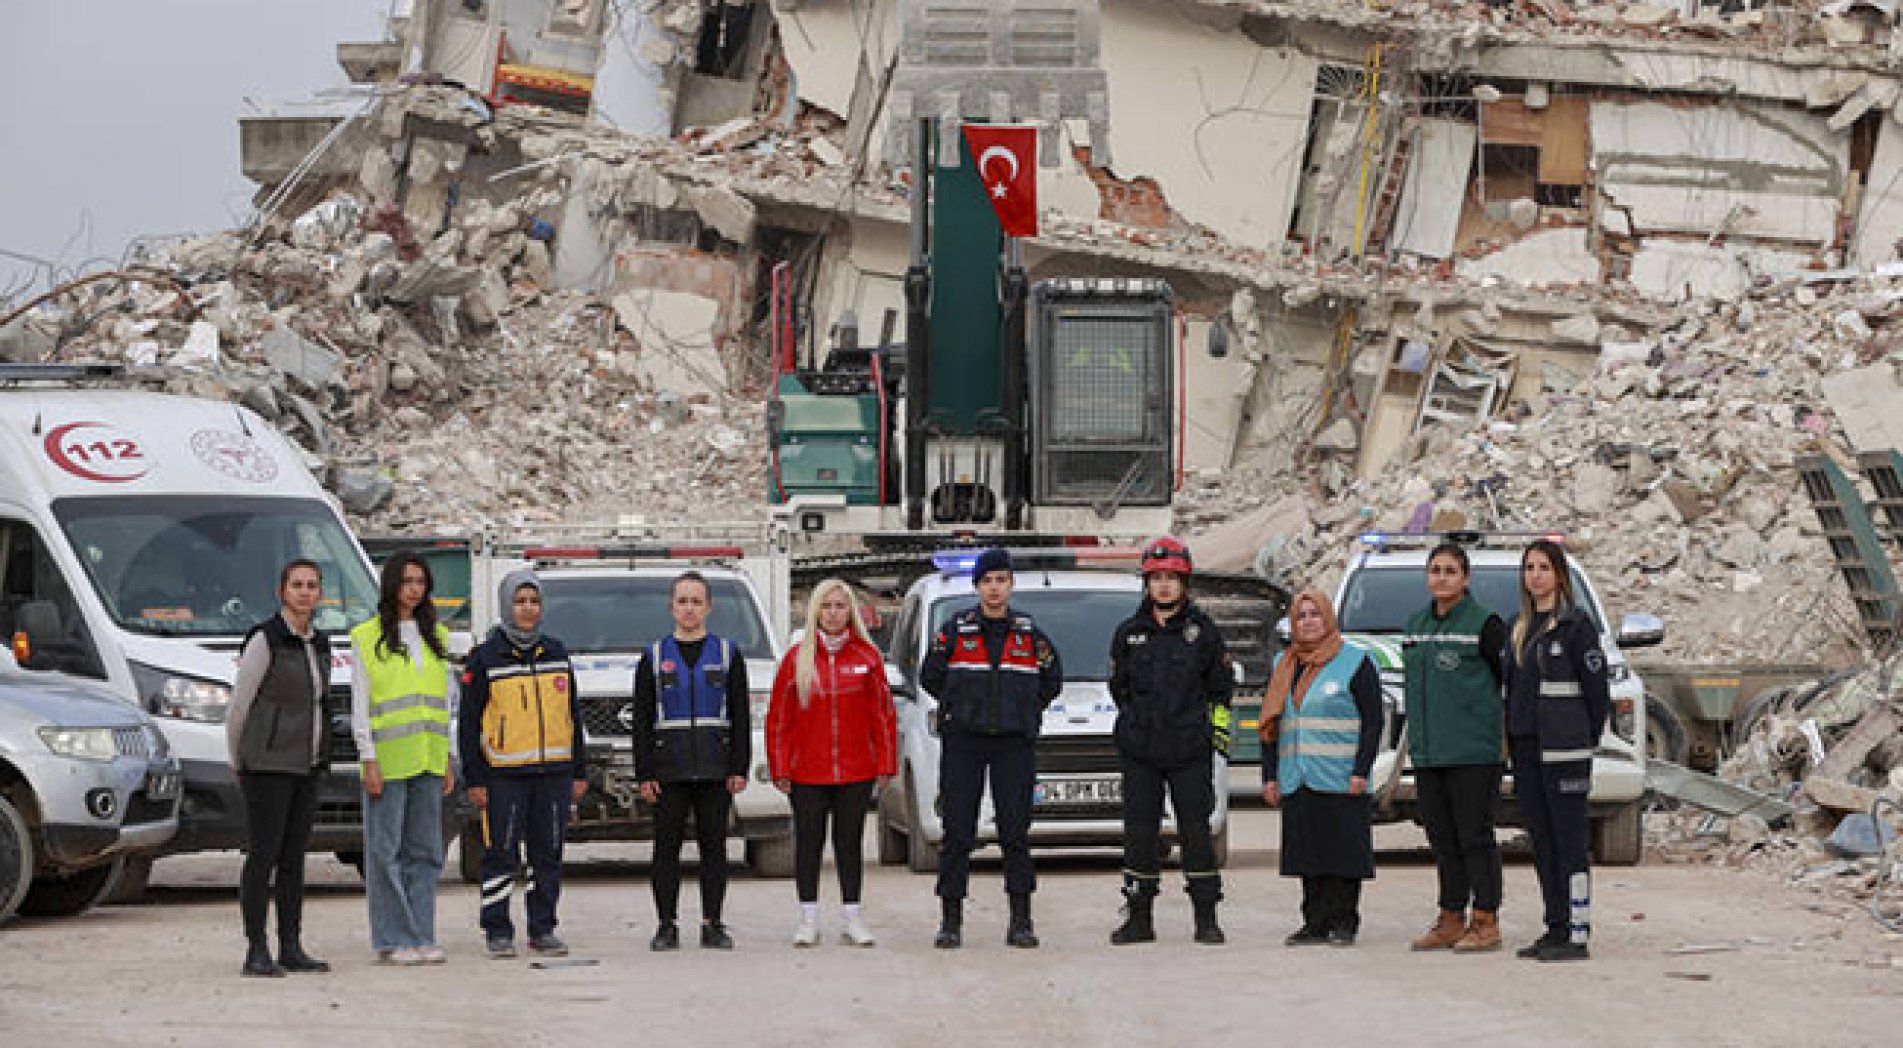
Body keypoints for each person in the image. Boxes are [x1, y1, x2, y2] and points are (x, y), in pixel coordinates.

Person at [920, 548, 1063, 949]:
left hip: (1013, 744)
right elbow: (930, 675)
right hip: (964, 741)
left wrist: (1024, 710)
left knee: (1015, 832)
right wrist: (959, 705)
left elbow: (1052, 680)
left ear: (1011, 585)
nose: (994, 588)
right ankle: (950, 921)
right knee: (957, 832)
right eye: (987, 581)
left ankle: (1021, 921)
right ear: (977, 586)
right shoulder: (955, 630)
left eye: (1001, 580)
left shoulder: (1029, 634)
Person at [1106, 536, 1234, 946]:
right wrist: (1135, 726)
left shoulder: (1204, 633)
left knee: (1196, 833)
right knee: (1139, 835)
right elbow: (1119, 689)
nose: (1163, 585)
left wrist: (1212, 737)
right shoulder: (1128, 634)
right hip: (1141, 752)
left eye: (1171, 578)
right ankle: (1138, 918)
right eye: (1156, 577)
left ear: (1185, 582)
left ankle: (1206, 916)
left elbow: (1220, 691)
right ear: (1146, 583)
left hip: (1189, 751)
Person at [459, 569, 587, 959]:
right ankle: (497, 930)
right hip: (503, 776)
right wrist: (474, 777)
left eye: (534, 601)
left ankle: (543, 928)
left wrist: (578, 769)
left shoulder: (556, 652)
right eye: (519, 601)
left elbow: (572, 715)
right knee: (501, 854)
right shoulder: (485, 658)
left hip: (554, 773)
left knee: (547, 853)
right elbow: (468, 723)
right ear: (506, 605)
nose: (527, 609)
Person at [765, 579, 897, 948]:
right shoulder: (796, 660)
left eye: (840, 606)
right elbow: (779, 719)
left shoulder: (867, 658)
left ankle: (852, 917)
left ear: (850, 611)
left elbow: (883, 716)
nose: (834, 613)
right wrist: (780, 766)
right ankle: (808, 919)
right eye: (827, 606)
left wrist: (885, 763)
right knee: (809, 844)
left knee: (849, 843)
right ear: (815, 612)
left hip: (856, 770)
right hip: (808, 771)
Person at [632, 570, 751, 951]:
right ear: (671, 607)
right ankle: (666, 925)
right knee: (666, 849)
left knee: (714, 848)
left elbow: (741, 716)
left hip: (715, 769)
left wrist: (739, 767)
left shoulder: (728, 655)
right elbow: (642, 721)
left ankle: (712, 923)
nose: (689, 609)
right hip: (669, 770)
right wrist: (645, 772)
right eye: (682, 601)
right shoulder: (653, 657)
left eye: (696, 601)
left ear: (709, 607)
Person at [1503, 539, 1609, 963]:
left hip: (1564, 752)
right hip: (1527, 749)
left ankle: (1576, 934)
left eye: (1544, 567)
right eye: (1529, 568)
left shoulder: (1576, 626)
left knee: (1569, 842)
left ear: (1559, 575)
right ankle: (1555, 927)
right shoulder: (1518, 627)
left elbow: (1596, 694)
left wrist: (1582, 739)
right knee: (1543, 843)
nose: (1536, 576)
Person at [226, 559, 333, 978]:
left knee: (294, 859)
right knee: (263, 855)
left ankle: (291, 946)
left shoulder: (319, 643)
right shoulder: (265, 639)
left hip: (307, 764)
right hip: (266, 763)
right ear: (282, 591)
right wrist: (237, 758)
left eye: (312, 585)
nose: (305, 592)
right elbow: (240, 705)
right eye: (297, 585)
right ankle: (256, 948)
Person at [350, 551, 458, 966]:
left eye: (420, 582)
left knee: (426, 851)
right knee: (384, 852)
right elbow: (361, 705)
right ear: (392, 585)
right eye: (407, 581)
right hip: (388, 759)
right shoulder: (367, 637)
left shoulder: (438, 637)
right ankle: (392, 937)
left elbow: (445, 703)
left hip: (429, 757)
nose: (414, 589)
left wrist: (447, 757)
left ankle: (422, 933)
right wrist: (368, 758)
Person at [1260, 589, 1382, 947]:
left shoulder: (1356, 662)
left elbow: (1373, 722)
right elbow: (1270, 724)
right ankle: (1314, 923)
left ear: (1328, 618)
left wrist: (1361, 771)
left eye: (1315, 614)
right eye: (1301, 616)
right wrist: (1269, 776)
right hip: (1297, 776)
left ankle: (1344, 922)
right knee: (1308, 854)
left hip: (1341, 776)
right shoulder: (1283, 664)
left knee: (1343, 854)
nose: (1309, 622)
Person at [1404, 542, 1509, 954]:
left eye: (1450, 571)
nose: (1441, 578)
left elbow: (1506, 680)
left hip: (1473, 752)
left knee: (1474, 837)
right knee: (1441, 838)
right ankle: (1451, 917)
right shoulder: (1415, 625)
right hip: (1430, 752)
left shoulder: (1486, 624)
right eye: (1435, 570)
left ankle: (1486, 919)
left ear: (1465, 578)